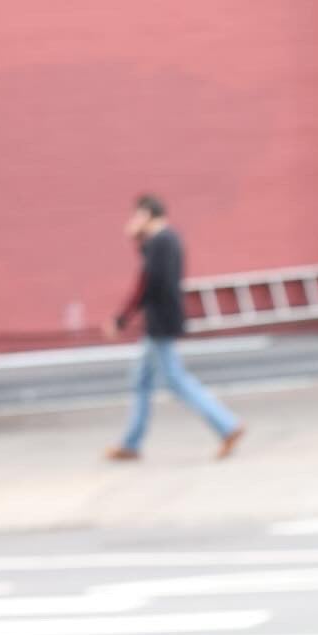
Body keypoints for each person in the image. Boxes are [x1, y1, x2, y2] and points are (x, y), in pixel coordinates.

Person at [104, 194, 244, 461]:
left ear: (147, 215)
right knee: (142, 382)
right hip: (161, 321)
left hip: (160, 323)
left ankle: (227, 425)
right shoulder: (166, 240)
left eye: (137, 216)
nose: (133, 222)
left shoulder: (161, 242)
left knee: (176, 381)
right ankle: (131, 443)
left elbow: (146, 285)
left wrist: (121, 320)